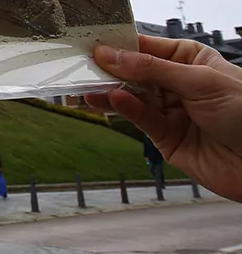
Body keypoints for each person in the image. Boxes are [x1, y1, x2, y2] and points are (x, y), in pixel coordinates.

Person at [84, 35, 242, 203]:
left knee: (157, 169)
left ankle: (161, 184)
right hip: (165, 151)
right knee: (155, 169)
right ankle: (159, 183)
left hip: (163, 153)